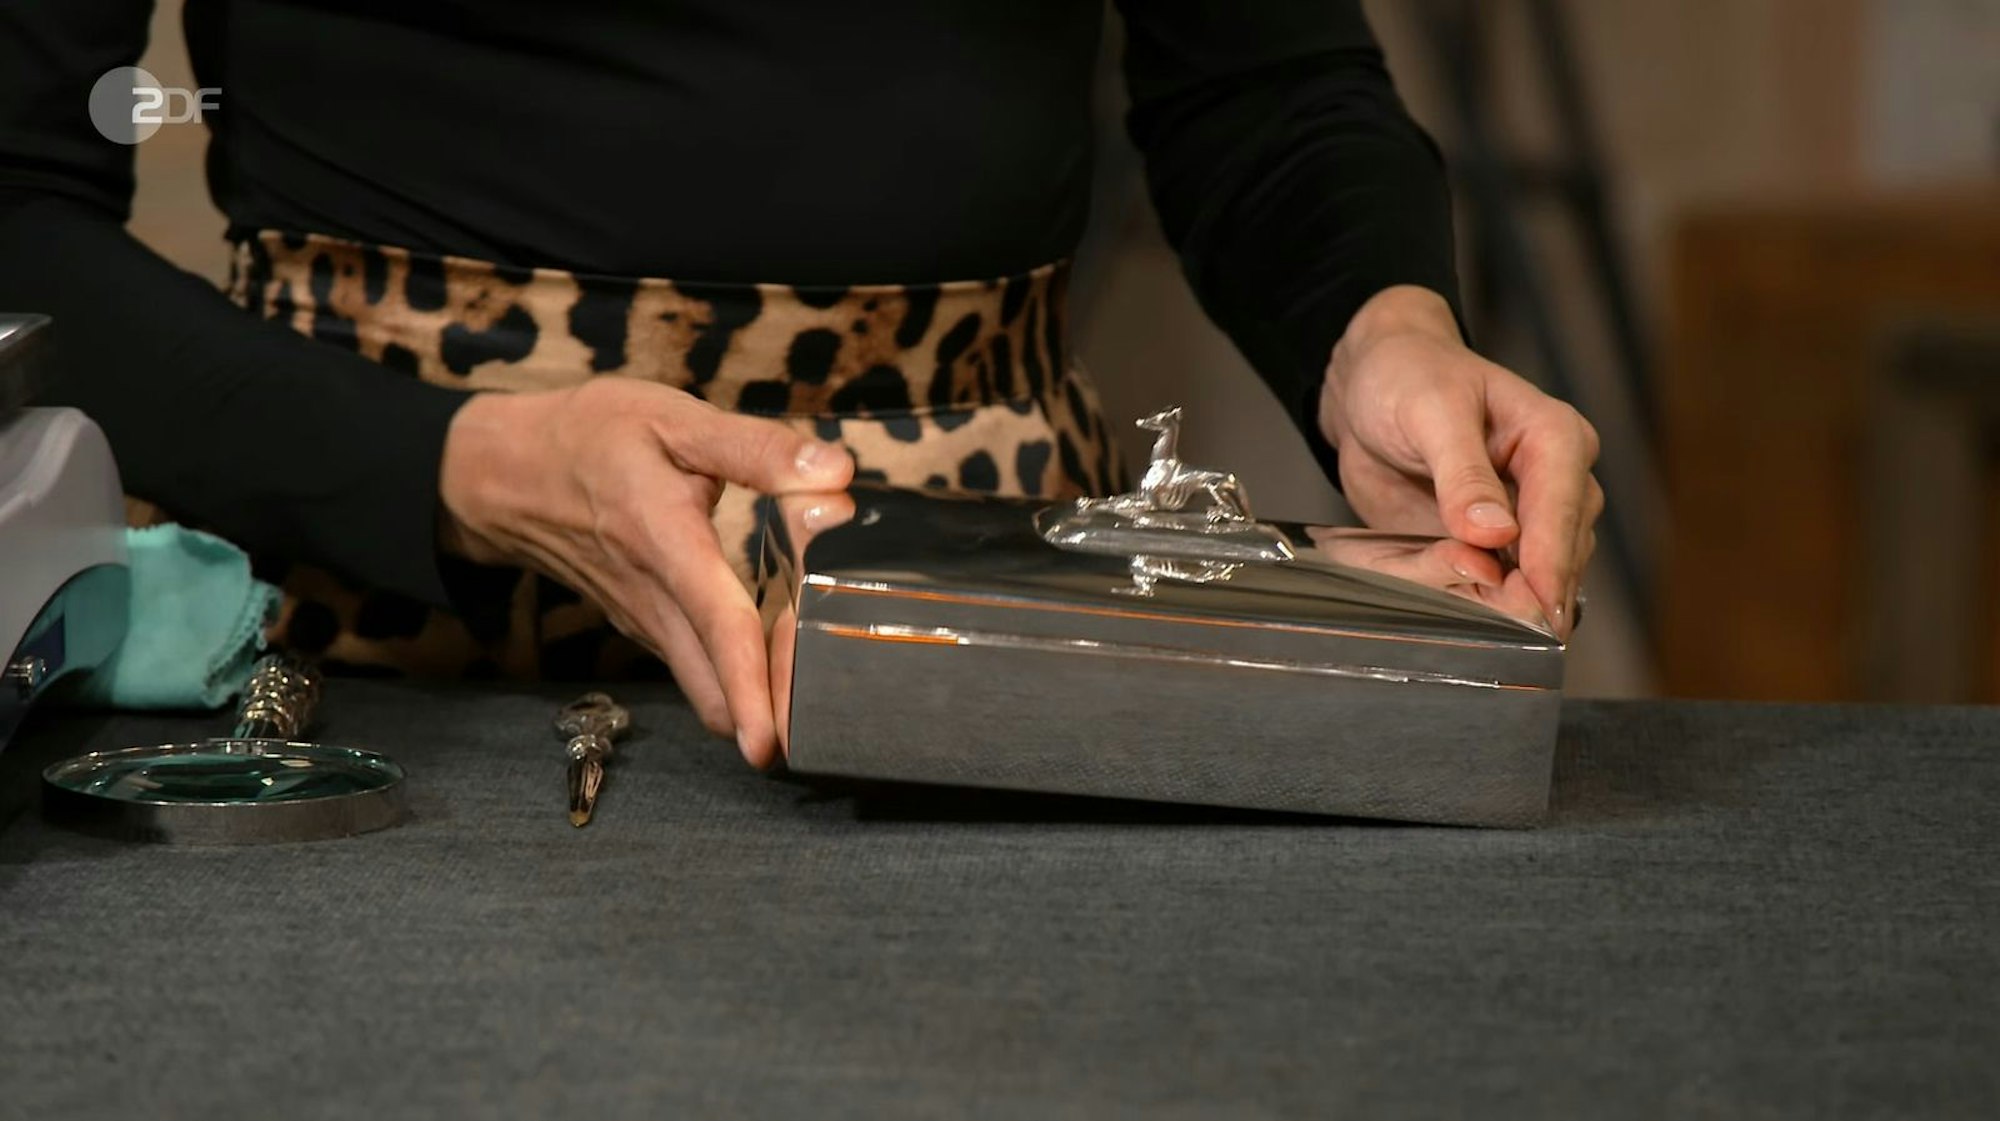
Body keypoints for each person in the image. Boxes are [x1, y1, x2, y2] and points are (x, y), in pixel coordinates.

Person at [0, 1, 1601, 768]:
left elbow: (1263, 83)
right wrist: (454, 463)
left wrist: (1379, 333)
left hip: (982, 657)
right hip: (346, 687)